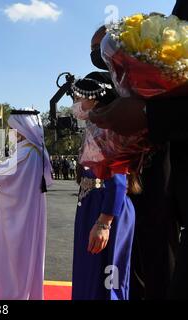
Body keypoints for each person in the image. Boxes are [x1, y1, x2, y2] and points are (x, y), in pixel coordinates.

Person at [89, 1, 187, 299]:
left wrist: (149, 116)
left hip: (162, 183)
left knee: (161, 262)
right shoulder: (111, 82)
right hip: (146, 191)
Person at [71, 26, 137, 300]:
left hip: (106, 209)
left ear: (96, 99)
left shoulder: (109, 132)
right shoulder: (94, 130)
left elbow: (119, 178)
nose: (76, 104)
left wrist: (104, 222)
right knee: (89, 275)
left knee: (109, 279)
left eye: (81, 98)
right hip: (92, 205)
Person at [0, 109, 53, 300]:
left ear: (21, 128)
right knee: (26, 259)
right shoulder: (31, 150)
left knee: (16, 260)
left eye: (12, 128)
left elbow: (3, 179)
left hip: (21, 218)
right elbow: (4, 170)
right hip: (28, 212)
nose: (11, 132)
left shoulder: (26, 153)